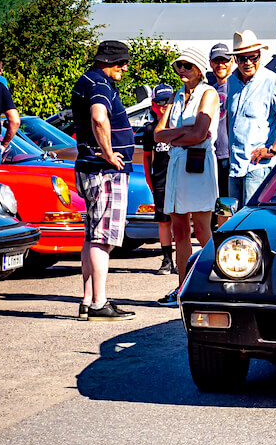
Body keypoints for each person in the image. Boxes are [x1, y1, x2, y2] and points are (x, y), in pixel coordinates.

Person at [71, 40, 136, 321]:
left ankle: (88, 299)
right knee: (103, 238)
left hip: (88, 167)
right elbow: (99, 118)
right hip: (103, 171)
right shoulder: (100, 85)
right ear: (107, 61)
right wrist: (109, 154)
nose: (124, 67)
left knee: (91, 236)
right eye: (121, 62)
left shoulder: (86, 80)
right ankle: (99, 302)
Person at [155, 46, 220, 299]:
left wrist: (175, 136)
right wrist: (183, 134)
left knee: (202, 229)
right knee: (179, 230)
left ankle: (221, 276)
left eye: (187, 65)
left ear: (199, 69)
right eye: (179, 65)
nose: (181, 69)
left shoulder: (209, 93)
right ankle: (182, 288)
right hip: (176, 164)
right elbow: (158, 133)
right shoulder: (175, 95)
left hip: (199, 164)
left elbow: (200, 133)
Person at [226, 30, 276, 207]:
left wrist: (273, 149)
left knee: (253, 223)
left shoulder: (272, 81)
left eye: (254, 57)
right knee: (234, 223)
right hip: (235, 167)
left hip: (258, 167)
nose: (248, 63)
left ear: (260, 55)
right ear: (236, 60)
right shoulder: (231, 82)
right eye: (243, 58)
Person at [142, 83, 176, 276]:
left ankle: (182, 257)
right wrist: (149, 179)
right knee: (163, 221)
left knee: (180, 220)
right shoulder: (150, 130)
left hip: (178, 179)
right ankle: (167, 259)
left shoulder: (178, 125)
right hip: (160, 180)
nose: (164, 106)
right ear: (153, 105)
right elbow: (147, 157)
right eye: (160, 102)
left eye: (167, 102)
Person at [208, 42, 233, 198]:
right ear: (211, 63)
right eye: (216, 61)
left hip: (231, 156)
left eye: (224, 60)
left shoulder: (237, 87)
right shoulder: (210, 91)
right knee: (216, 202)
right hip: (213, 155)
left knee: (230, 202)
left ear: (231, 61)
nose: (220, 64)